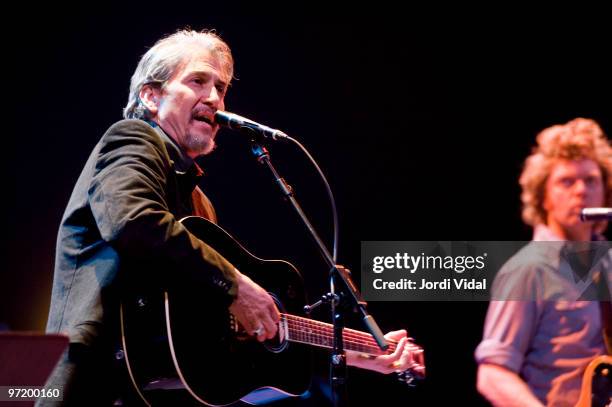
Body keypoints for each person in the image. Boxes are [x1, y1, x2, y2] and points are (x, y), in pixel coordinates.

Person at [40, 29, 414, 406]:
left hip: (149, 389)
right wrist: (235, 284)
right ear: (151, 96)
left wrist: (359, 350)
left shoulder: (200, 204)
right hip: (92, 381)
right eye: (198, 81)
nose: (214, 99)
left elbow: (222, 327)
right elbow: (131, 220)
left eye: (220, 87)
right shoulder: (134, 138)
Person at [475, 118, 612, 406]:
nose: (580, 190)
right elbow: (493, 374)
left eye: (591, 180)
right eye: (566, 181)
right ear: (543, 197)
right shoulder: (529, 269)